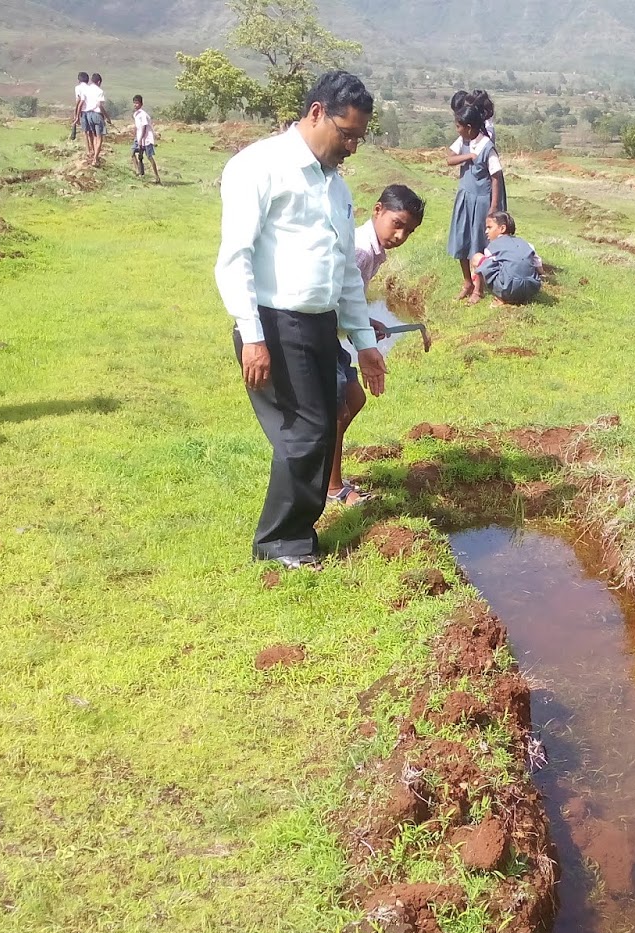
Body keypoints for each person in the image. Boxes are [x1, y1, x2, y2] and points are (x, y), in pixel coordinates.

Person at [215, 70, 385, 569]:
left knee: (322, 423)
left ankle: (294, 535)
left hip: (319, 323)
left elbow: (346, 271)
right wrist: (253, 336)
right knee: (304, 432)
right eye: (346, 133)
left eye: (359, 137)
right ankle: (281, 542)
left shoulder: (337, 188)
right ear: (316, 113)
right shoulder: (260, 166)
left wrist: (364, 341)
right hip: (274, 322)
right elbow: (235, 257)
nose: (352, 146)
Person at [329, 183, 425, 507]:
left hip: (331, 331)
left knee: (353, 399)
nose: (400, 235)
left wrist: (367, 321)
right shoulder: (361, 251)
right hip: (321, 334)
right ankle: (332, 488)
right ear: (377, 210)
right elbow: (336, 301)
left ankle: (325, 472)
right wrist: (362, 336)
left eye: (408, 231)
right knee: (338, 409)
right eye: (397, 224)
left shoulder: (372, 250)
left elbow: (350, 301)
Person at [446, 105, 503, 301]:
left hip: (481, 201)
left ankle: (478, 288)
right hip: (465, 198)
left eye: (458, 126)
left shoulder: (487, 147)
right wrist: (468, 156)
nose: (457, 130)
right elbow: (449, 159)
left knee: (478, 243)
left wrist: (493, 207)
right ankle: (467, 282)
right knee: (462, 240)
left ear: (469, 127)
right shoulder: (464, 141)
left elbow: (496, 177)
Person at [471, 211, 542, 305]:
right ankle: (519, 295)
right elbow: (540, 269)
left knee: (477, 258)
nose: (486, 231)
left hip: (508, 290)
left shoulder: (492, 248)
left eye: (489, 227)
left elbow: (485, 269)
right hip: (531, 291)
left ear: (502, 228)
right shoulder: (527, 244)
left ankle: (478, 292)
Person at [130, 95, 159, 183]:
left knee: (149, 157)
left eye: (137, 103)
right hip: (139, 137)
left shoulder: (143, 114)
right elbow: (138, 127)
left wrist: (140, 140)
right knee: (133, 153)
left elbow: (144, 127)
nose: (135, 105)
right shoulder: (136, 114)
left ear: (141, 104)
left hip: (146, 138)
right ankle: (138, 172)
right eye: (134, 103)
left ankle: (157, 177)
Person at [83, 73, 108, 166]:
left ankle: (93, 154)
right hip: (97, 114)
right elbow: (99, 105)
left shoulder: (87, 90)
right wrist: (106, 116)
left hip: (88, 114)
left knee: (94, 136)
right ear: (99, 82)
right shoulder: (99, 91)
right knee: (99, 137)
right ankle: (95, 159)